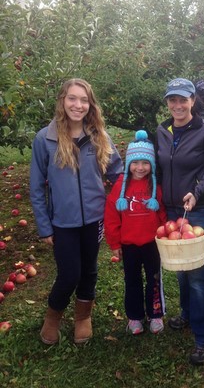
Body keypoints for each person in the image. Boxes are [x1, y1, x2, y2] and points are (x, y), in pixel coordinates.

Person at [30, 78, 123, 345]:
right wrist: (44, 225)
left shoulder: (98, 136)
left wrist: (124, 202)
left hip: (95, 219)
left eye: (84, 100)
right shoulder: (45, 139)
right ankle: (53, 317)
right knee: (69, 272)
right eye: (72, 98)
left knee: (90, 269)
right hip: (62, 221)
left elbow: (117, 173)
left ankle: (83, 317)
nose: (78, 105)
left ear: (90, 104)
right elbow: (37, 187)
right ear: (62, 101)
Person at [156, 77, 204, 365]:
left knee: (197, 272)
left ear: (193, 101)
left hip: (197, 209)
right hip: (171, 210)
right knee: (181, 268)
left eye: (183, 99)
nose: (178, 105)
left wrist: (196, 192)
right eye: (173, 99)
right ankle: (188, 313)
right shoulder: (162, 130)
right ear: (168, 102)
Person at [104, 130, 167, 335]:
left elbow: (163, 214)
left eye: (145, 163)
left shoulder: (155, 187)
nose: (140, 168)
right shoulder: (120, 188)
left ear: (152, 165)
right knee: (132, 281)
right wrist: (114, 244)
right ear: (128, 163)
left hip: (151, 244)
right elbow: (112, 217)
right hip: (129, 245)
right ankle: (135, 316)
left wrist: (167, 235)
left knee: (154, 280)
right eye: (135, 163)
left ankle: (155, 314)